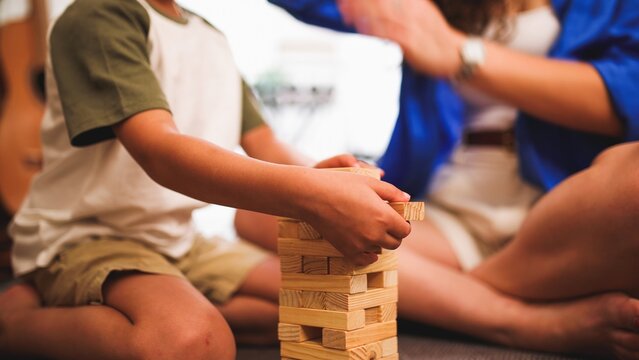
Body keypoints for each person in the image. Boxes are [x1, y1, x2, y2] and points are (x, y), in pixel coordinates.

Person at [0, 0, 413, 358]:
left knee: (323, 305)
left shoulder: (210, 36)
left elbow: (265, 142)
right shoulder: (99, 16)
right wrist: (313, 194)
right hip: (87, 236)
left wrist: (332, 176)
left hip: (177, 239)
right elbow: (160, 153)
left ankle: (130, 303)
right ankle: (16, 324)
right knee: (192, 342)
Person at [238, 0, 639, 358]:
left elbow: (629, 96)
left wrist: (460, 52)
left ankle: (442, 300)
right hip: (448, 221)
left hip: (564, 213)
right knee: (268, 212)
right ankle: (512, 315)